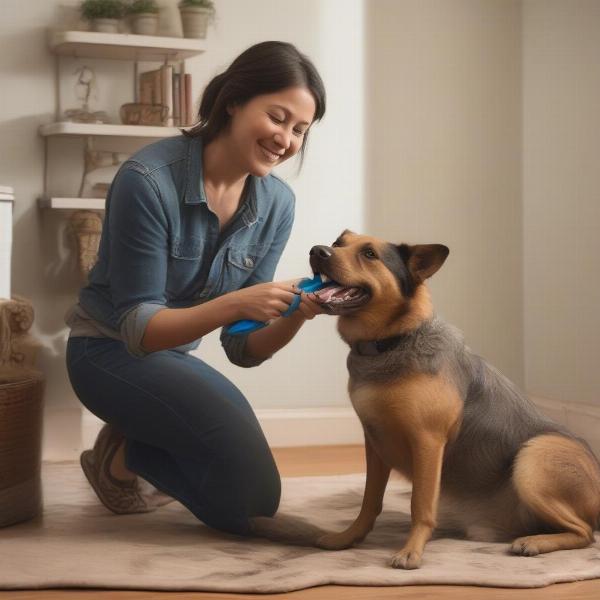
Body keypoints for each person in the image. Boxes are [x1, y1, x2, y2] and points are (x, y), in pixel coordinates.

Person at [65, 41, 327, 536]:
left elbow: (242, 347)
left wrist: (297, 311)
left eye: (299, 130)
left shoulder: (276, 203)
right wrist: (237, 302)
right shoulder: (147, 179)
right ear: (233, 100)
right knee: (250, 504)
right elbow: (139, 330)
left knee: (256, 501)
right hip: (105, 352)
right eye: (277, 117)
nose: (285, 139)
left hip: (171, 360)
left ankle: (130, 449)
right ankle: (131, 449)